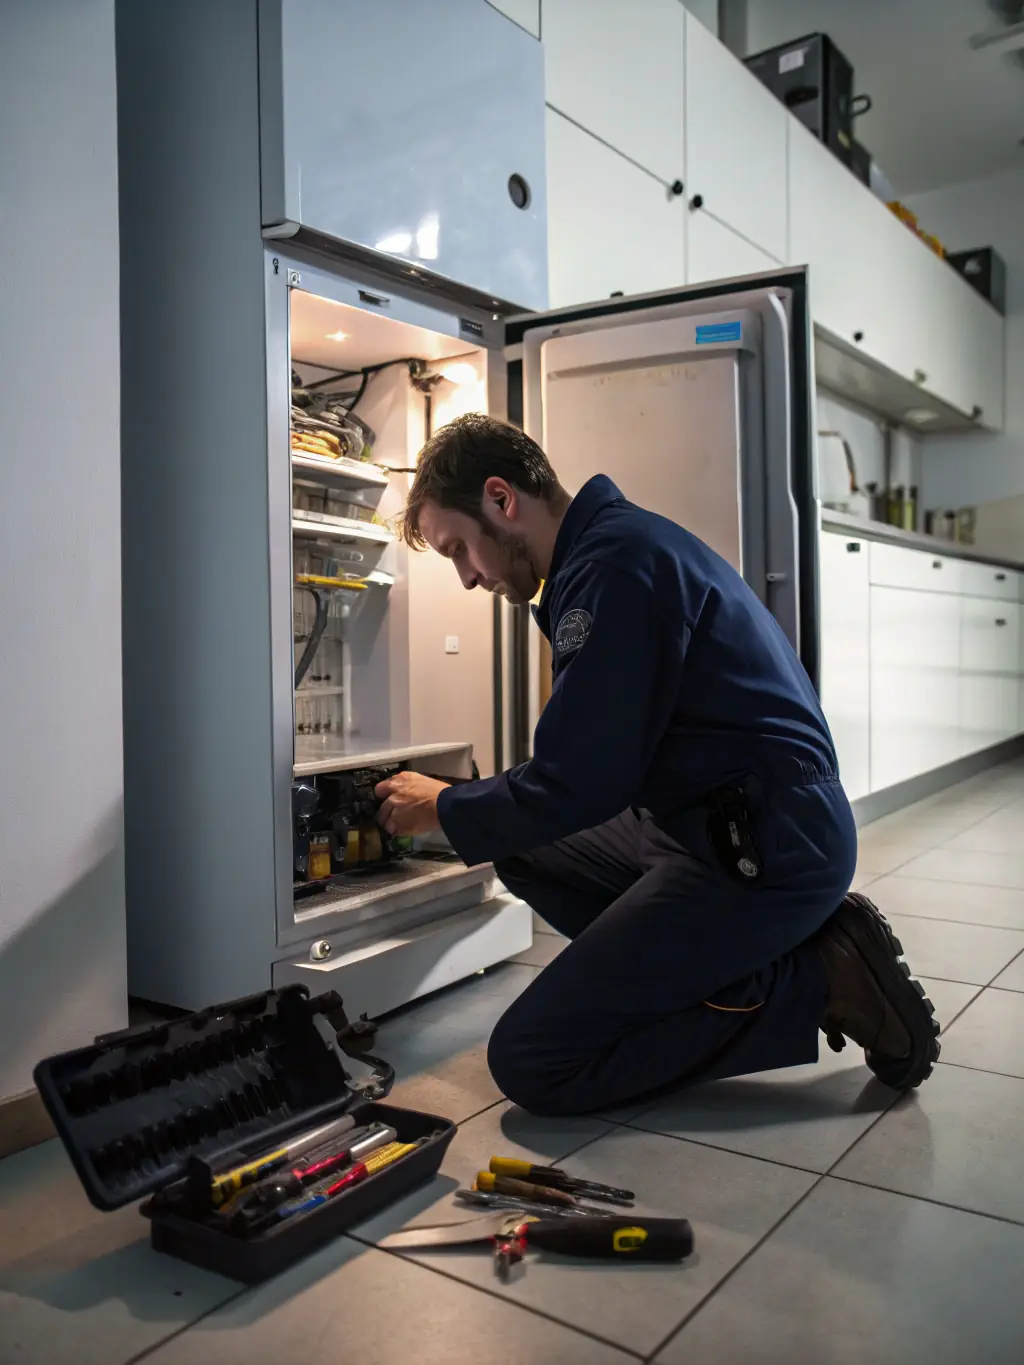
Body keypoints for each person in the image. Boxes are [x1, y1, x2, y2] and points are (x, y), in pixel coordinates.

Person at [375, 414, 940, 1117]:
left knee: (534, 1059)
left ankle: (815, 979)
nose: (465, 577)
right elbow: (588, 768)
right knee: (520, 842)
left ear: (501, 498)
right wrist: (472, 807)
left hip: (762, 844)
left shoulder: (613, 566)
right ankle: (689, 971)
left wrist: (444, 804)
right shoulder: (609, 550)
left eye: (459, 548)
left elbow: (580, 779)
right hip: (723, 820)